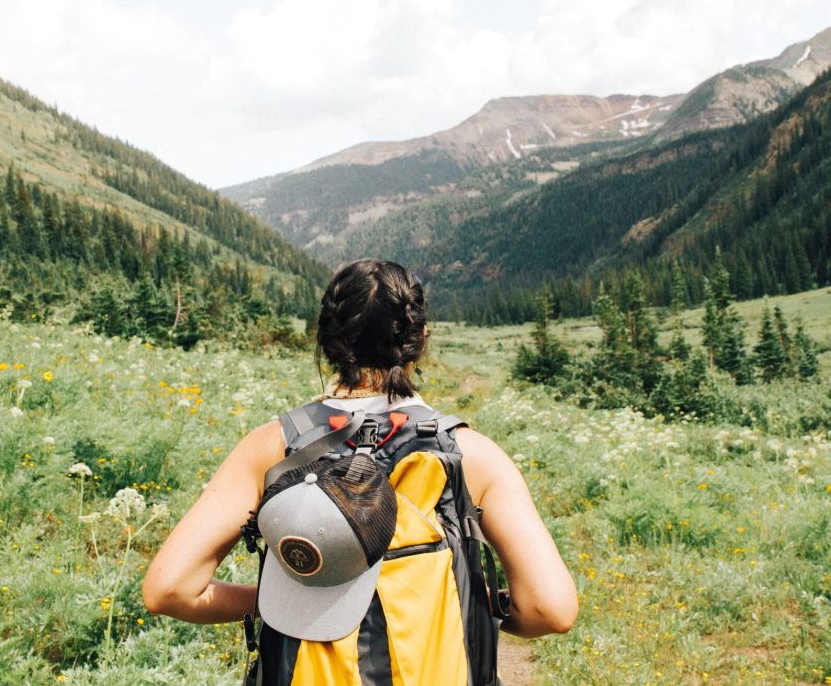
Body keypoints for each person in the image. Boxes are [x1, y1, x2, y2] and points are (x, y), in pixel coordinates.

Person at [143, 258, 577, 680]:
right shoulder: (471, 454)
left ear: (327, 342)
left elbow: (170, 590)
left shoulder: (274, 446)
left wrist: (275, 602)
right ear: (420, 340)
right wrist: (477, 608)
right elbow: (550, 609)